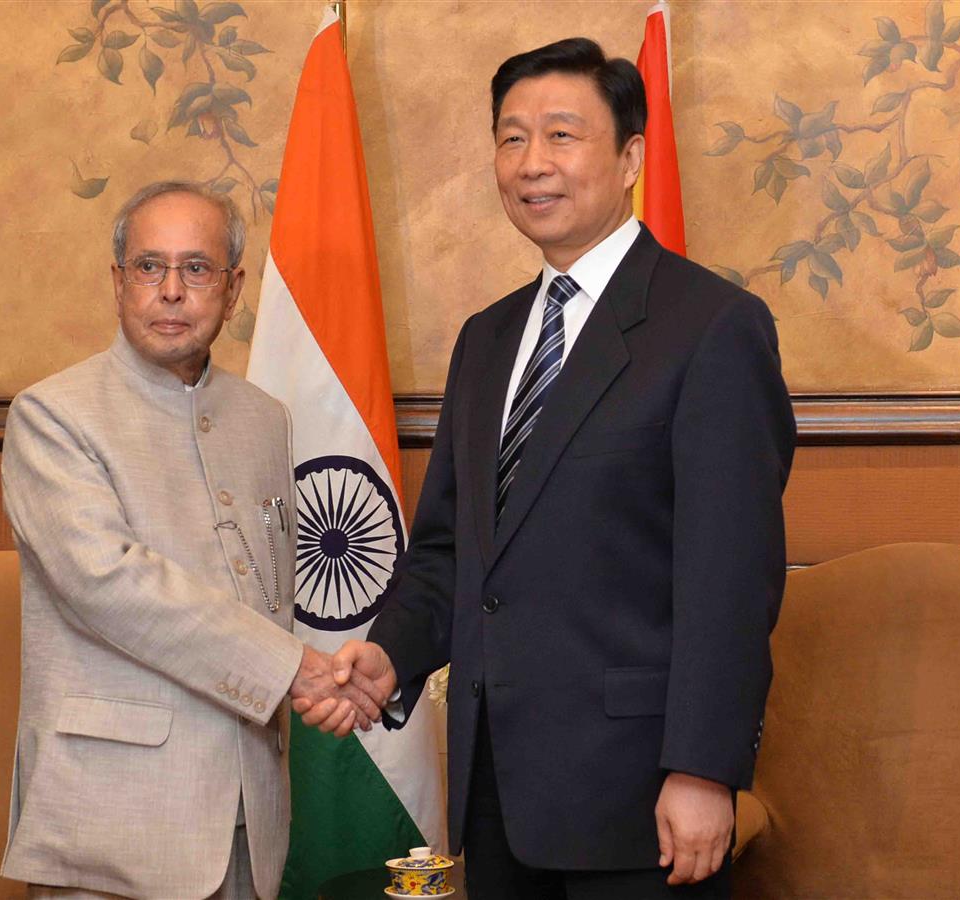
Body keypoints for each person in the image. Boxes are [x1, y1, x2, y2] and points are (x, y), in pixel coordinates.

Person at [309, 38, 796, 898]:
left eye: (563, 135)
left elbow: (732, 577)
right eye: (511, 138)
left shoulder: (712, 326)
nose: (532, 163)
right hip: (495, 792)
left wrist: (704, 769)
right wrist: (391, 653)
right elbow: (454, 552)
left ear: (632, 156)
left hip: (641, 796)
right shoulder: (486, 339)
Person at [0, 181, 380, 900]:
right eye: (149, 267)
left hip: (249, 814)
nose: (171, 291)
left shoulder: (264, 420)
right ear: (118, 283)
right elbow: (109, 585)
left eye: (197, 269)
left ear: (232, 290)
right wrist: (297, 670)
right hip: (115, 826)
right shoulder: (52, 416)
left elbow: (270, 591)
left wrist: (320, 676)